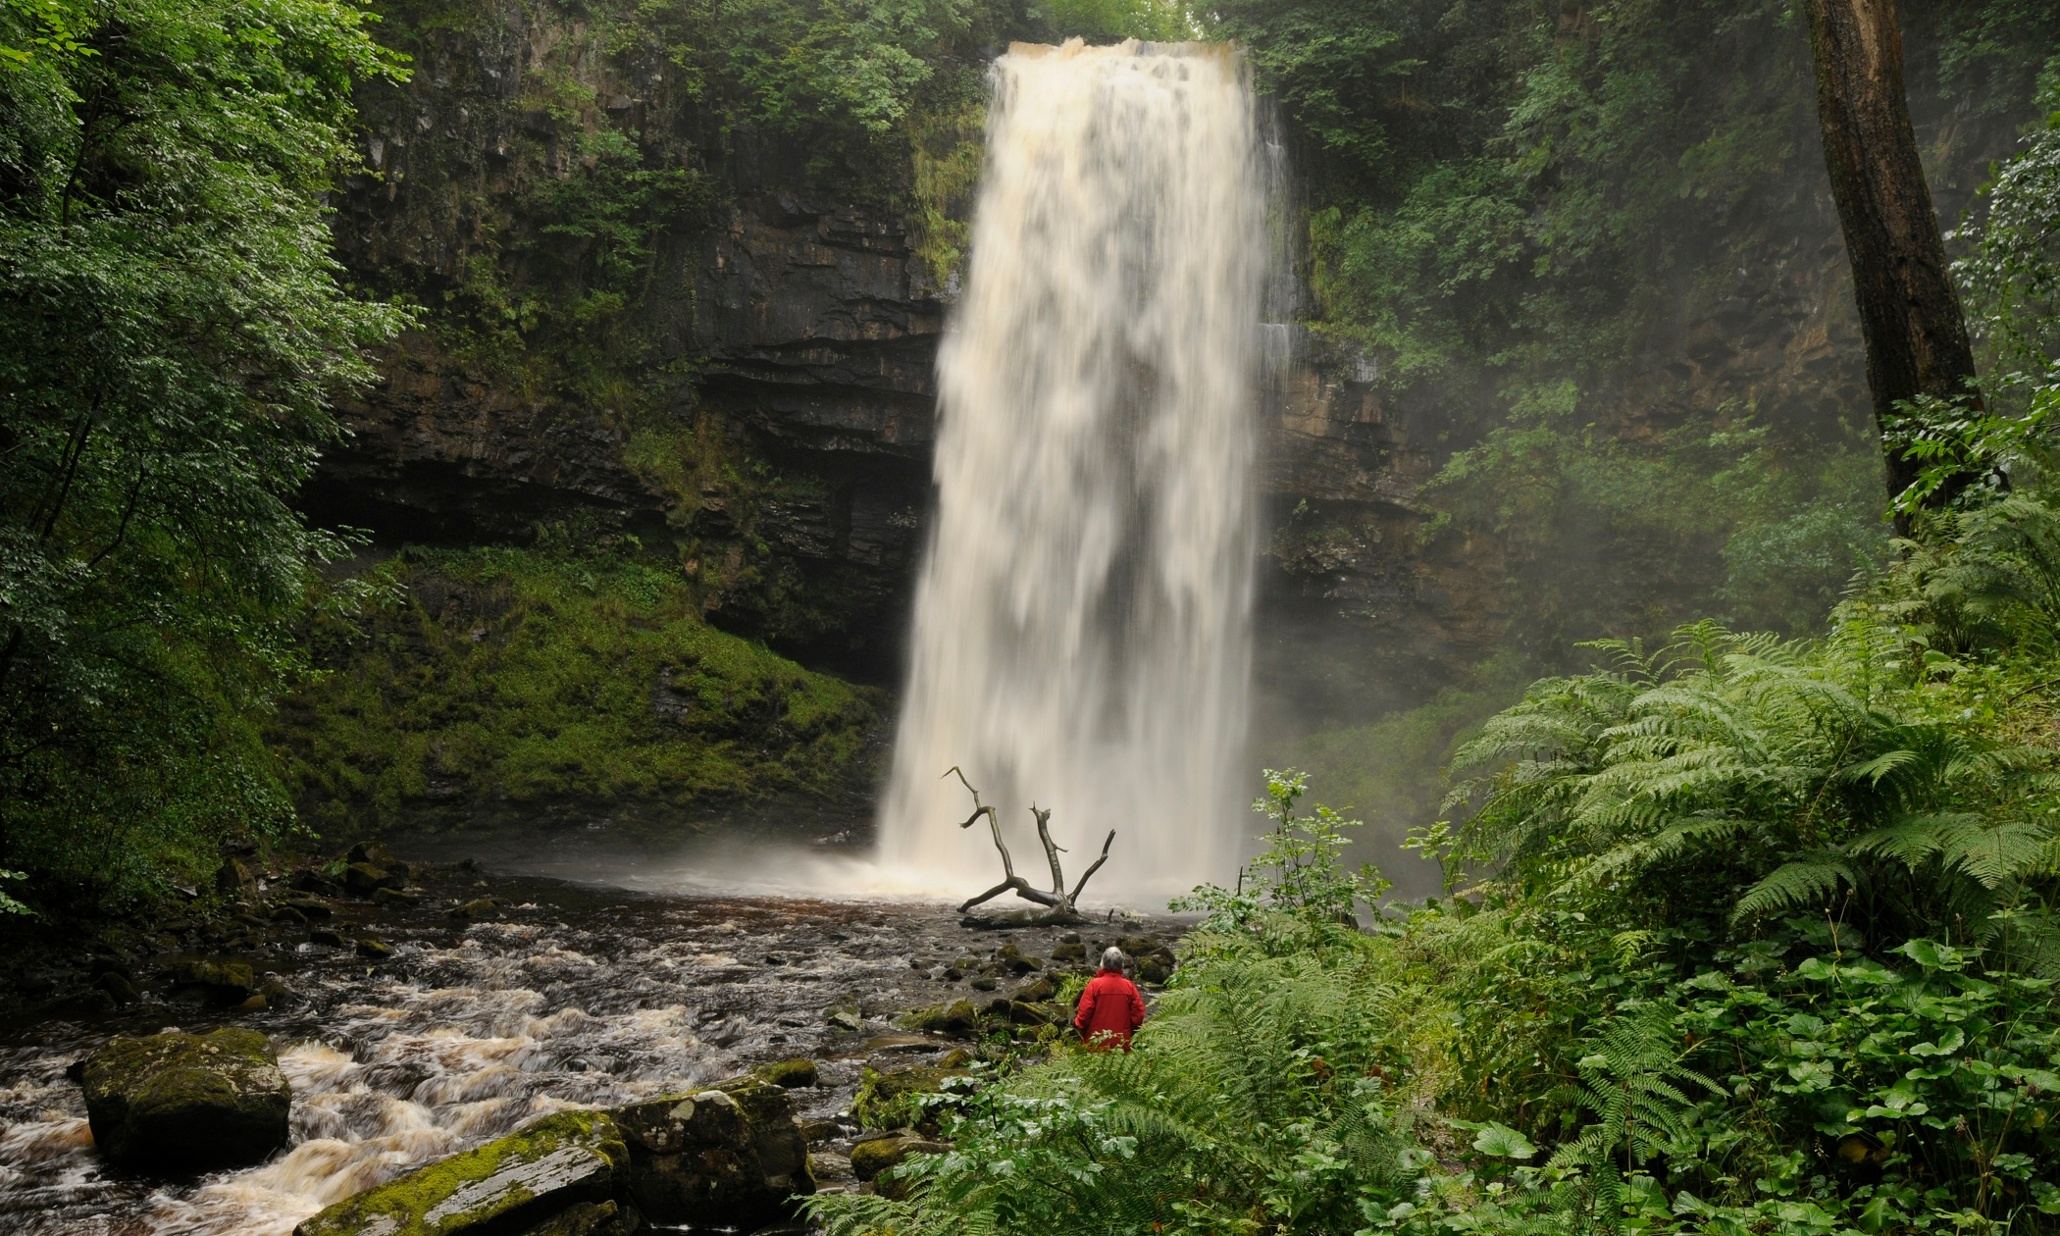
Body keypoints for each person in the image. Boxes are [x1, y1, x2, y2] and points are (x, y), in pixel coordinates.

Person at [1073, 946, 1147, 1051]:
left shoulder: (1094, 985)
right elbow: (1139, 1015)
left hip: (1095, 1044)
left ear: (1102, 964)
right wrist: (1130, 1031)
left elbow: (1084, 1014)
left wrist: (1077, 1026)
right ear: (1121, 966)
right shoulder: (1129, 986)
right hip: (1122, 1044)